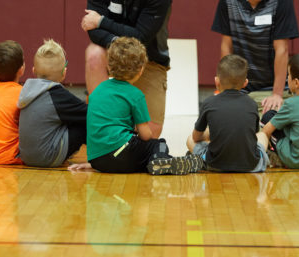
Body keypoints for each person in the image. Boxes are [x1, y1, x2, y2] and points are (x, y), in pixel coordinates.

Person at [81, 0, 172, 137]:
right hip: (111, 57)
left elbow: (140, 37)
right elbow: (93, 33)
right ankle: (101, 119)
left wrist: (103, 22)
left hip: (149, 60)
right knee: (94, 52)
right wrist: (116, 42)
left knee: (150, 135)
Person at [69, 37, 201, 175]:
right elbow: (145, 135)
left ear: (108, 66)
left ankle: (157, 162)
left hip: (97, 160)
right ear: (141, 70)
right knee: (158, 144)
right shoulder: (135, 95)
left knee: (136, 152)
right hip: (122, 154)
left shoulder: (97, 91)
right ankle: (162, 160)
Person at [211, 0, 299, 114]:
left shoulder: (281, 1)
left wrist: (277, 94)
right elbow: (226, 46)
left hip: (273, 85)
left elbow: (282, 50)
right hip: (241, 84)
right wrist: (227, 88)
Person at [186, 54, 269, 172]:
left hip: (215, 165)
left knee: (190, 139)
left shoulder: (208, 103)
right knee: (263, 135)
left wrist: (209, 135)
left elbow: (195, 137)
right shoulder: (252, 104)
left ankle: (200, 161)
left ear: (216, 81)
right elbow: (254, 134)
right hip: (252, 166)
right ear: (245, 82)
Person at [18, 39, 88, 167]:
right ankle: (104, 156)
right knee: (85, 124)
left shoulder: (26, 89)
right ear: (64, 73)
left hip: (26, 157)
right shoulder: (57, 95)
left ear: (33, 71)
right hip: (48, 158)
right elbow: (88, 113)